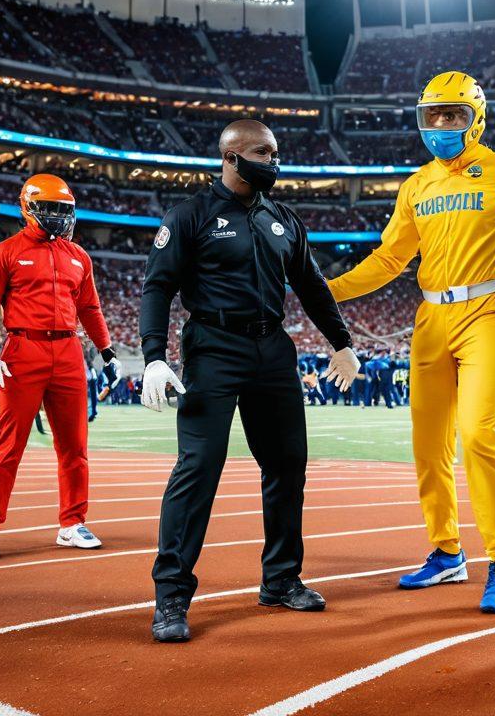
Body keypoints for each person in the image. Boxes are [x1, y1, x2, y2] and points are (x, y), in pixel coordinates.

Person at [327, 71, 495, 614]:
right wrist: (324, 290)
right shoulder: (417, 185)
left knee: (477, 434)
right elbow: (388, 259)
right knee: (428, 447)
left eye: (454, 115)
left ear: (477, 119)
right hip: (431, 317)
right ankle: (447, 552)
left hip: (487, 311)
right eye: (433, 116)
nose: (442, 125)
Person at [140, 119, 360, 643]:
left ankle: (281, 579)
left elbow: (311, 286)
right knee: (198, 467)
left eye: (276, 151)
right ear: (231, 157)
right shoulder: (189, 215)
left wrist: (342, 343)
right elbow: (157, 288)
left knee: (288, 464)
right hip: (212, 347)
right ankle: (171, 595)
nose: (275, 161)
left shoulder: (284, 219)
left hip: (272, 350)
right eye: (264, 152)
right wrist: (153, 356)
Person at [0, 174, 121, 559]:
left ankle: (72, 523)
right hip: (23, 349)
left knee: (75, 446)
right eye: (50, 207)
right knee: (8, 445)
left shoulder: (79, 256)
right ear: (28, 208)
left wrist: (107, 352)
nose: (57, 215)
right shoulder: (4, 252)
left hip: (69, 351)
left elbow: (90, 308)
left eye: (62, 208)